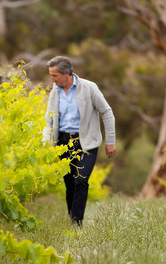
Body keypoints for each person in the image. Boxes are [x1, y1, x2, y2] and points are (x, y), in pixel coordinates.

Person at [42, 55, 117, 226]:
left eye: (54, 75)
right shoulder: (55, 92)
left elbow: (107, 112)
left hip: (86, 143)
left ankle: (77, 223)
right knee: (69, 185)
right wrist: (46, 138)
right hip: (63, 143)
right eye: (50, 75)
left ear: (67, 73)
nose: (51, 79)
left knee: (81, 180)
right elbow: (49, 120)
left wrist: (110, 141)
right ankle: (73, 219)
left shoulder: (89, 88)